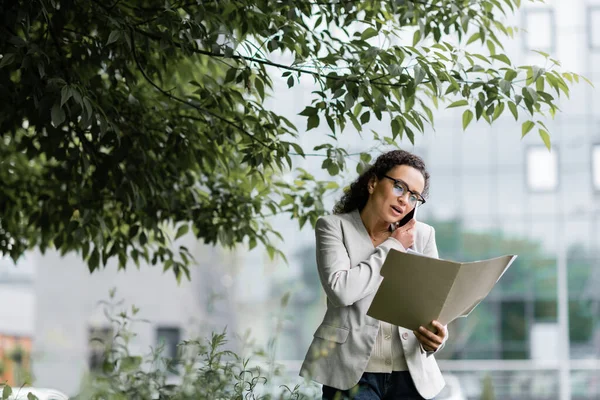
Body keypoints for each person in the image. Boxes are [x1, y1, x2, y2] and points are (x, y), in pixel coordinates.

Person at [299, 150, 448, 400]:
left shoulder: (422, 235)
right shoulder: (333, 227)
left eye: (414, 196)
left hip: (411, 375)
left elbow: (434, 304)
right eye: (399, 187)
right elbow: (341, 291)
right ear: (372, 183)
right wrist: (394, 245)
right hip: (351, 373)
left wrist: (438, 337)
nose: (404, 201)